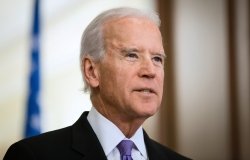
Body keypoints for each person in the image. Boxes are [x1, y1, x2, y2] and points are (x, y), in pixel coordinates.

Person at [4, 7, 190, 160]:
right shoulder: (33, 156)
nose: (150, 71)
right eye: (132, 55)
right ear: (92, 71)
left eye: (157, 59)